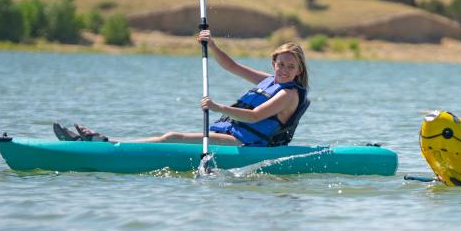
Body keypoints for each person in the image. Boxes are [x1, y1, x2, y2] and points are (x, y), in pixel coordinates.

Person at [53, 30, 309, 145]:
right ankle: (105, 143)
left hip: (246, 145)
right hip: (234, 135)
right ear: (273, 64)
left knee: (172, 137)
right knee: (172, 137)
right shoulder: (270, 81)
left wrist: (217, 107)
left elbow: (255, 116)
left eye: (290, 66)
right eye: (280, 64)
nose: (284, 69)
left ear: (298, 70)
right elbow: (232, 66)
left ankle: (111, 146)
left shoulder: (288, 94)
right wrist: (212, 46)